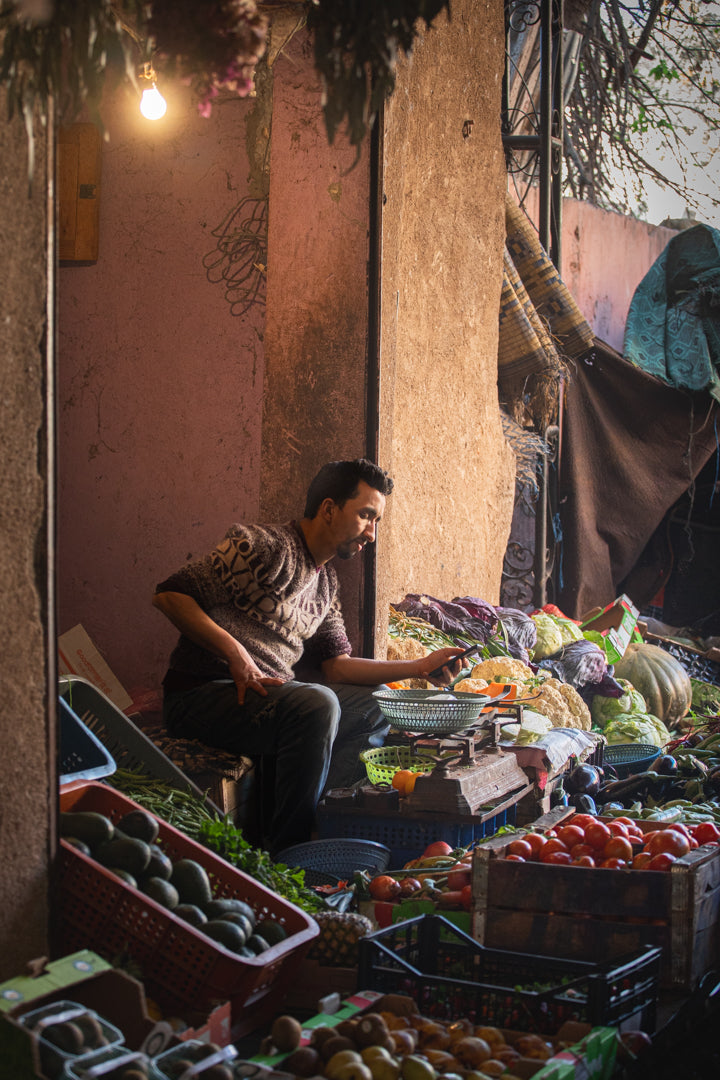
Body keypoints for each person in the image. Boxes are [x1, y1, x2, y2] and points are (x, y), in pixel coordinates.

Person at [152, 458, 467, 854]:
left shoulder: (325, 584)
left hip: (263, 698)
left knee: (377, 703)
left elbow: (337, 665)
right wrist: (236, 654)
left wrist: (421, 667)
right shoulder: (261, 548)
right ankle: (289, 852)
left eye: (377, 522)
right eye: (366, 516)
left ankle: (321, 820)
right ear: (329, 509)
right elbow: (169, 595)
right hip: (202, 694)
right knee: (318, 703)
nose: (372, 533)